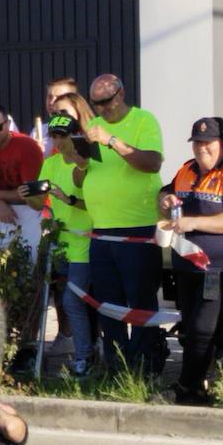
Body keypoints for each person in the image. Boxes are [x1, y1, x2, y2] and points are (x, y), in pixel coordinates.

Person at [76, 73, 165, 373]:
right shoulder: (91, 128)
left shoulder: (143, 120)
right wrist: (79, 161)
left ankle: (145, 367)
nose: (102, 108)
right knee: (108, 304)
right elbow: (83, 175)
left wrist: (111, 140)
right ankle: (116, 368)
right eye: (96, 103)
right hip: (101, 230)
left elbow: (152, 163)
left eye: (107, 100)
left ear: (121, 93)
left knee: (139, 302)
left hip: (136, 229)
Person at [159, 117, 223, 401]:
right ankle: (199, 383)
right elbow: (167, 191)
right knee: (190, 330)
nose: (201, 148)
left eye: (208, 143)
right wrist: (165, 200)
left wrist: (193, 223)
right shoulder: (186, 168)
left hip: (214, 269)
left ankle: (188, 387)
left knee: (203, 330)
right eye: (197, 142)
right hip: (184, 266)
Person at [29, 104, 97, 373]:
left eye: (62, 136)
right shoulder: (50, 162)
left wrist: (66, 198)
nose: (57, 141)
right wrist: (29, 195)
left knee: (73, 301)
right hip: (60, 241)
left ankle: (84, 356)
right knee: (64, 301)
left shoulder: (87, 161)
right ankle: (88, 350)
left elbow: (93, 203)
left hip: (85, 241)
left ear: (75, 135)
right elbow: (37, 204)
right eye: (53, 136)